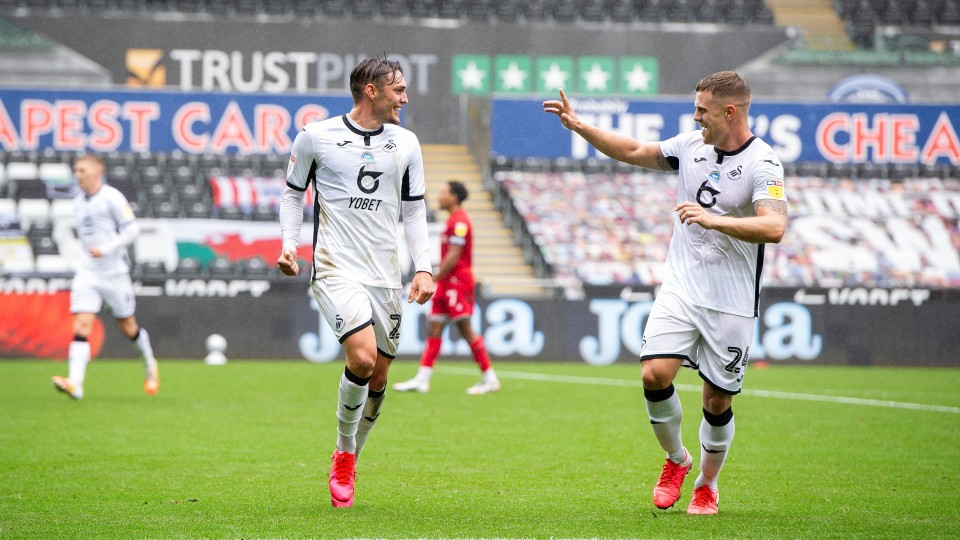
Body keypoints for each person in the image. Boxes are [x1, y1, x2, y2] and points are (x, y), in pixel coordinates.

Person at [543, 71, 788, 515]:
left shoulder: (763, 163)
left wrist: (717, 221)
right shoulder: (692, 146)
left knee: (716, 401)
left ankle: (707, 486)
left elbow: (774, 226)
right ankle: (676, 460)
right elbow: (635, 150)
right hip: (680, 287)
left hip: (731, 301)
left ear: (729, 111)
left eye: (703, 110)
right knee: (654, 374)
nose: (695, 117)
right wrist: (581, 127)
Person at [277, 56, 435, 508]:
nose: (404, 98)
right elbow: (293, 194)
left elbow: (414, 211)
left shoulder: (406, 143)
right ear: (371, 90)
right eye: (398, 89)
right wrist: (290, 244)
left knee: (380, 376)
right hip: (334, 267)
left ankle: (353, 454)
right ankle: (343, 454)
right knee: (362, 359)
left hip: (385, 274)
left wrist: (423, 266)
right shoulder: (316, 136)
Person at [52, 154, 159, 400]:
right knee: (81, 325)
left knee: (128, 327)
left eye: (82, 170)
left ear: (96, 172)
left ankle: (149, 362)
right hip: (88, 273)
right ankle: (75, 383)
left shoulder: (111, 197)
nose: (78, 175)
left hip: (114, 274)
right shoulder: (78, 201)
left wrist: (106, 249)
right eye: (76, 170)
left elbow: (132, 230)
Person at [392, 181, 501, 395]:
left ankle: (490, 378)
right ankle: (422, 379)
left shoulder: (460, 222)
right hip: (446, 283)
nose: (439, 196)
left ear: (454, 197)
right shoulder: (452, 221)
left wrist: (433, 277)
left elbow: (454, 255)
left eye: (443, 192)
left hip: (457, 283)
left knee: (465, 329)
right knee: (434, 327)